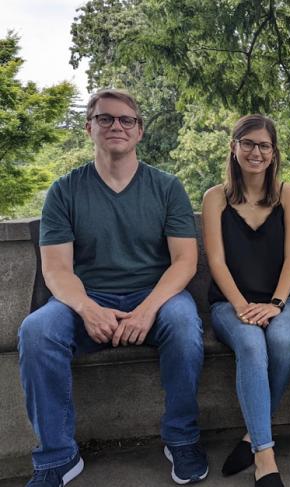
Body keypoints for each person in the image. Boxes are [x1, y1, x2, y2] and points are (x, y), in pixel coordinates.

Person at [18, 89, 207, 486]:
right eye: (106, 118)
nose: (116, 126)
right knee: (36, 331)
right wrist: (88, 309)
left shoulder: (167, 187)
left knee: (186, 325)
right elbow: (56, 270)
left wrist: (147, 309)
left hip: (154, 296)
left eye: (126, 120)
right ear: (89, 127)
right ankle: (57, 457)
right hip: (85, 299)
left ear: (139, 132)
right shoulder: (64, 191)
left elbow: (185, 262)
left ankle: (182, 438)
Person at [202, 115, 290, 487]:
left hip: (285, 300)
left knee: (279, 341)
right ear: (234, 147)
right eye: (247, 143)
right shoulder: (215, 198)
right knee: (250, 343)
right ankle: (265, 455)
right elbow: (216, 261)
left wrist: (276, 304)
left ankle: (250, 435)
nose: (255, 152)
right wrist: (243, 307)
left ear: (274, 152)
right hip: (231, 303)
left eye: (263, 145)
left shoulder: (288, 194)